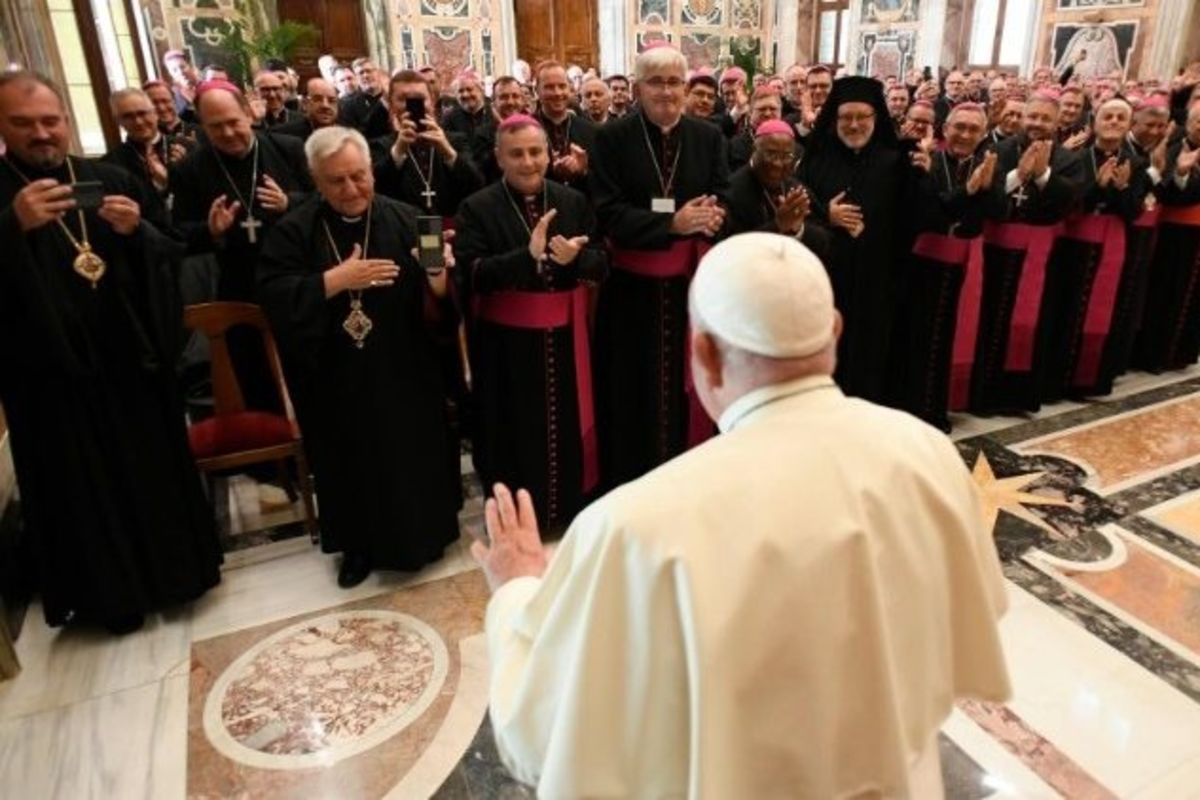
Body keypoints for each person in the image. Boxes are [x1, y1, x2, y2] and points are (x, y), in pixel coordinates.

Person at [472, 232, 1011, 797]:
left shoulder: (634, 526)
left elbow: (540, 735)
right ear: (834, 332)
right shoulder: (926, 450)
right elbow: (971, 621)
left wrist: (516, 590)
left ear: (702, 351)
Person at [0, 71, 221, 634]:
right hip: (49, 380)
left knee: (151, 474)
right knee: (82, 491)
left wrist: (135, 231)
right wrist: (12, 229)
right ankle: (110, 600)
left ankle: (176, 578)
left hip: (131, 364)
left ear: (67, 121)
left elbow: (173, 250)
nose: (42, 134)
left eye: (51, 120)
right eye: (24, 124)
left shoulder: (110, 178)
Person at [257, 126, 461, 588]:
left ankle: (422, 537)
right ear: (315, 179)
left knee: (409, 455)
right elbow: (274, 297)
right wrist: (334, 281)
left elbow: (443, 302)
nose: (351, 190)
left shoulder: (412, 219)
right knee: (348, 461)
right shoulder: (293, 231)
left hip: (404, 367)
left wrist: (437, 278)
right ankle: (358, 548)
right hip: (335, 376)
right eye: (337, 181)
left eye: (359, 176)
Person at [454, 115, 608, 534]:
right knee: (512, 433)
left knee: (567, 428)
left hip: (566, 339)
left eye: (536, 152)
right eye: (517, 154)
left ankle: (568, 510)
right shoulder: (478, 206)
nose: (528, 162)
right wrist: (525, 258)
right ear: (499, 158)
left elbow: (601, 261)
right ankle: (518, 519)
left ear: (548, 153)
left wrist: (579, 259)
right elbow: (469, 274)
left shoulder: (572, 201)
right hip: (506, 349)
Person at [591, 45, 729, 487]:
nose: (666, 91)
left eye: (674, 81)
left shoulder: (707, 137)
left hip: (690, 289)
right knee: (633, 388)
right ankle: (635, 481)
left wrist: (715, 215)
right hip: (632, 292)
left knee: (686, 383)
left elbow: (723, 192)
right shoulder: (612, 138)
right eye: (656, 81)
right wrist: (673, 222)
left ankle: (688, 474)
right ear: (637, 88)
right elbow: (606, 212)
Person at [170, 80, 312, 411]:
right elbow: (177, 233)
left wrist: (288, 203)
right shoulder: (190, 170)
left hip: (295, 281)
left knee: (306, 371)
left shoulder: (288, 149)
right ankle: (271, 459)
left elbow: (321, 202)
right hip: (237, 285)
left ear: (248, 113)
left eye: (233, 122)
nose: (228, 133)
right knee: (254, 381)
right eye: (216, 127)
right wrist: (210, 230)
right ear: (203, 126)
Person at [797, 76, 922, 403]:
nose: (853, 125)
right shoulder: (815, 160)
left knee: (872, 358)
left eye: (861, 117)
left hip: (878, 283)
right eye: (845, 117)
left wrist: (925, 176)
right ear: (834, 119)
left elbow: (916, 219)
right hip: (826, 281)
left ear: (875, 118)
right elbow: (795, 214)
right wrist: (827, 215)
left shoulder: (897, 162)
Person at [972, 91, 1084, 412]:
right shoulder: (998, 149)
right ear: (1023, 118)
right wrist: (1017, 176)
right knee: (986, 322)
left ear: (1056, 121)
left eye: (1044, 118)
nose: (1036, 123)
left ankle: (1016, 396)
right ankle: (981, 394)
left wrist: (1044, 175)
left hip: (1040, 258)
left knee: (1031, 323)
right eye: (1032, 116)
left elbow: (1071, 200)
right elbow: (987, 195)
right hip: (994, 254)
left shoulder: (1068, 159)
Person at [893, 103, 995, 429]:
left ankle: (940, 407)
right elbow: (930, 213)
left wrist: (1013, 179)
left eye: (973, 130)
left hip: (966, 263)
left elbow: (997, 211)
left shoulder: (988, 163)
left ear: (983, 134)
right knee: (920, 337)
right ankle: (914, 408)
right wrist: (968, 191)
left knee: (954, 336)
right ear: (945, 128)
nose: (964, 135)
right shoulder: (926, 160)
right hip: (924, 264)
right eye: (959, 127)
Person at [1135, 101, 1200, 372]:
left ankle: (1180, 353)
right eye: (1199, 122)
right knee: (1163, 294)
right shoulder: (1173, 149)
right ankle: (1154, 354)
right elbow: (1170, 193)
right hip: (1174, 235)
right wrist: (1182, 173)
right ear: (1189, 123)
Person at [372, 70, 483, 219]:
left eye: (420, 99)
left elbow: (477, 185)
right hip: (404, 232)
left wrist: (448, 152)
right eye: (403, 99)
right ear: (391, 105)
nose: (411, 106)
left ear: (432, 101)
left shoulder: (456, 141)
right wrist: (398, 151)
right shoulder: (381, 146)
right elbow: (376, 190)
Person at [726, 119, 830, 262]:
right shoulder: (731, 190)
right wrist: (778, 225)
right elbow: (729, 251)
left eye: (786, 156)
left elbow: (825, 242)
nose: (778, 164)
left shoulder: (796, 189)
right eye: (771, 154)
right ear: (754, 151)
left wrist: (798, 229)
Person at [103, 87, 195, 221]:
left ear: (155, 113)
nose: (138, 122)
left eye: (142, 113)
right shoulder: (110, 165)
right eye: (128, 116)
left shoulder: (189, 148)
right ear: (118, 121)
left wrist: (176, 176)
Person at [534, 62, 595, 193]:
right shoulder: (525, 129)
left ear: (569, 88)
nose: (557, 93)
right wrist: (550, 170)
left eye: (562, 86)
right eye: (549, 87)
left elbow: (603, 181)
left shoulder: (590, 130)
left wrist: (582, 170)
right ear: (537, 91)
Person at [727, 86, 783, 171]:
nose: (767, 113)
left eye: (773, 109)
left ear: (780, 112)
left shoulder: (791, 142)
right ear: (750, 113)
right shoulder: (736, 145)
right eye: (762, 109)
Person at [273, 77, 339, 142]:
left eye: (332, 101)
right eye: (317, 99)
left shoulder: (345, 135)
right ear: (304, 103)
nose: (325, 105)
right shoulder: (282, 135)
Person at [339, 57, 388, 138]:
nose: (365, 75)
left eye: (369, 71)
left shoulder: (391, 98)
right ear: (356, 78)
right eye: (361, 73)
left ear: (378, 73)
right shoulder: (348, 105)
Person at [162, 49, 198, 121]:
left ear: (191, 66)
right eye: (174, 70)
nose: (180, 72)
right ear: (171, 74)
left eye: (182, 67)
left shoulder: (205, 87)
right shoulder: (172, 96)